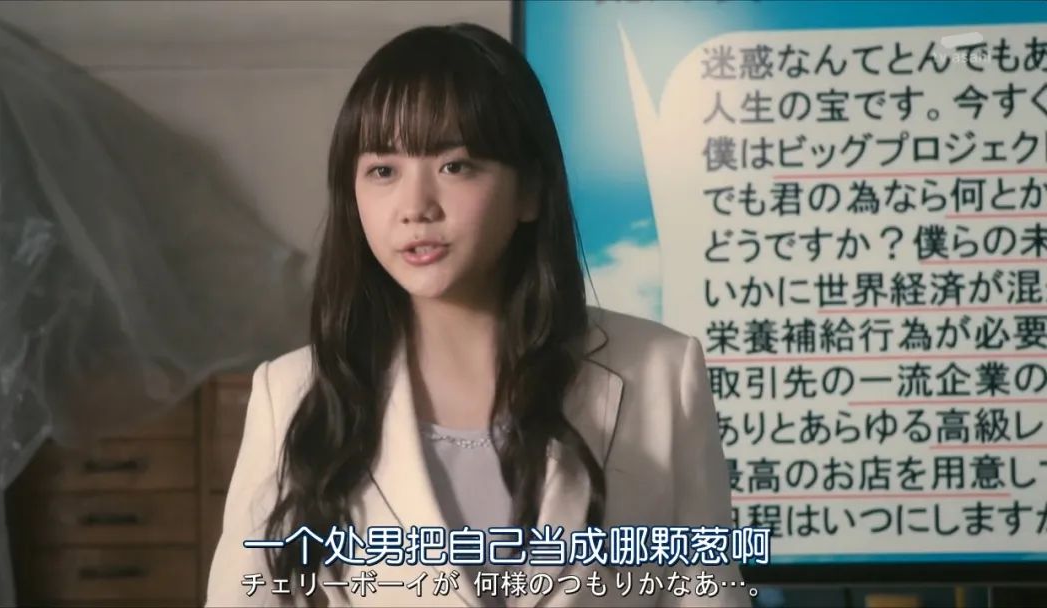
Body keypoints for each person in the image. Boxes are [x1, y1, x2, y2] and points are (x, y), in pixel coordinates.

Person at [206, 22, 749, 608]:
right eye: (383, 170)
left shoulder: (661, 373)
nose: (415, 207)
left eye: (455, 165)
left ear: (530, 191)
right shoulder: (290, 395)